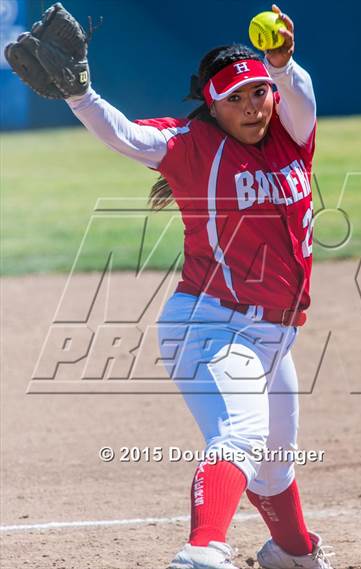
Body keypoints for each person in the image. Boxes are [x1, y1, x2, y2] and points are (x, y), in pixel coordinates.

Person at [5, 3, 335, 568]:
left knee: (276, 461)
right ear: (213, 105)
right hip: (209, 325)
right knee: (242, 439)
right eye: (235, 99)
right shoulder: (190, 145)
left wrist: (280, 64)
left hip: (274, 337)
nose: (253, 107)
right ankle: (202, 550)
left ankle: (292, 550)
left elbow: (298, 94)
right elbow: (129, 136)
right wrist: (81, 95)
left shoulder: (290, 135)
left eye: (258, 92)